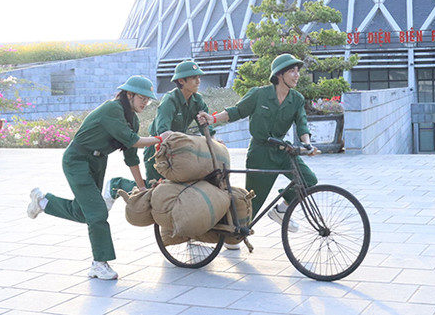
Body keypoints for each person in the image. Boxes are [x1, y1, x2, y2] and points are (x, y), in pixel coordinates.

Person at [26, 75, 164, 280]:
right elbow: (132, 140)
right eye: (142, 97)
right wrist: (161, 138)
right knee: (98, 212)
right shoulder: (113, 109)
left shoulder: (132, 120)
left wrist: (142, 187)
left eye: (148, 99)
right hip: (77, 160)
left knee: (84, 213)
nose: (145, 102)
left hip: (98, 162)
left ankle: (44, 202)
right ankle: (99, 264)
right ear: (129, 94)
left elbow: (131, 155)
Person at [198, 54, 319, 234]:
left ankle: (281, 210)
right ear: (279, 75)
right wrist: (212, 119)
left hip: (283, 151)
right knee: (253, 202)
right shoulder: (259, 94)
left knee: (309, 180)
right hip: (260, 152)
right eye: (292, 71)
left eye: (297, 71)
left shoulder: (297, 99)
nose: (297, 75)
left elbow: (302, 124)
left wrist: (307, 144)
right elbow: (236, 111)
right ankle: (231, 234)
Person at [104, 60, 214, 199]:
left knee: (177, 188)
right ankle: (117, 185)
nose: (198, 81)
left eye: (199, 77)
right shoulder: (170, 100)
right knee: (154, 189)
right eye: (194, 78)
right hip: (157, 149)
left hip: (178, 149)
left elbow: (206, 125)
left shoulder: (197, 100)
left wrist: (213, 141)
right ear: (181, 81)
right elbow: (164, 131)